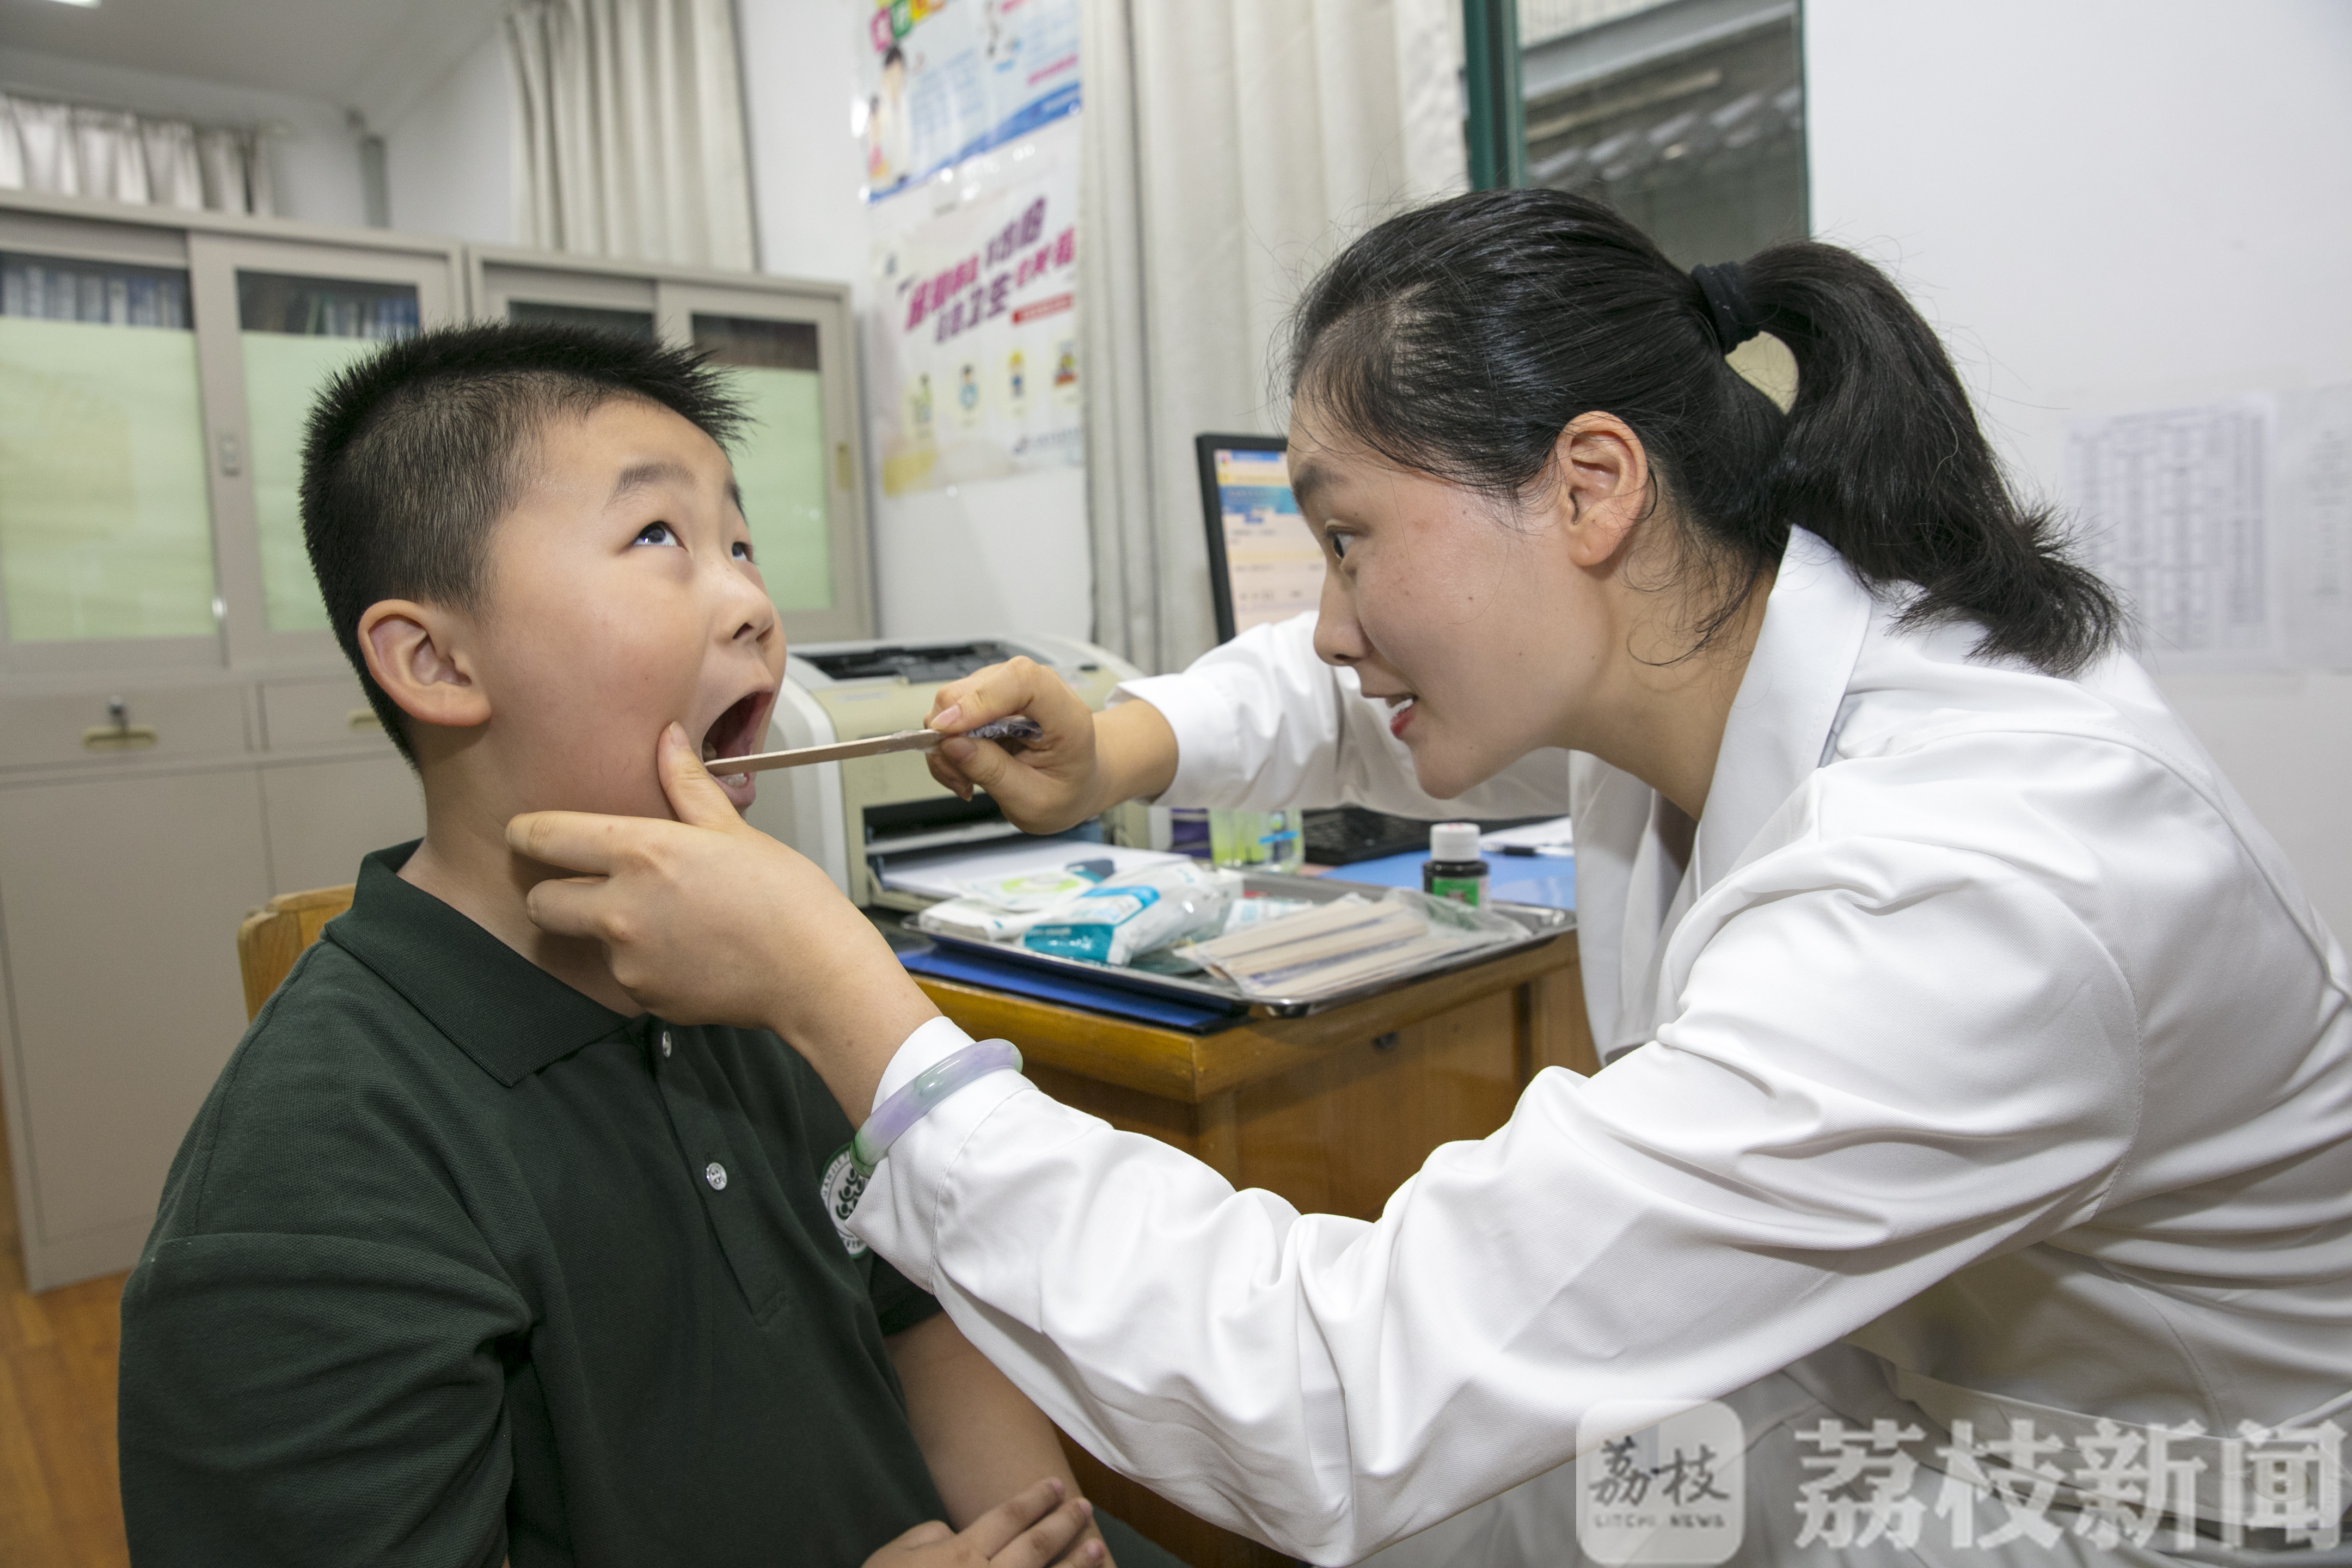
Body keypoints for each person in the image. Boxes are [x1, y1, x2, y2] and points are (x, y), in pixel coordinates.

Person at [507, 192, 2352, 1565]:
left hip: (2152, 1504)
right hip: (1912, 1400)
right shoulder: (1723, 656)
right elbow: (1363, 710)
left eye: (1346, 536)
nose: (1329, 618)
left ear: (1589, 487)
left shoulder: (1974, 888)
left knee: (1440, 1465)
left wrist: (843, 994)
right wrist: (1120, 746)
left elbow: (1341, 1393)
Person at [115, 324, 1168, 1568]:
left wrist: (1038, 1539)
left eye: (741, 543)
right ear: (434, 659)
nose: (757, 606)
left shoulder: (750, 981)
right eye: (659, 538)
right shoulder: (304, 1194)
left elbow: (916, 1313)